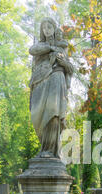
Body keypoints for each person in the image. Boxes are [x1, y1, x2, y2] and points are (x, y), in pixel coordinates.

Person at [29, 17, 74, 158]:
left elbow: (71, 68)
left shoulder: (62, 46)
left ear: (54, 29)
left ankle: (50, 150)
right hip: (40, 82)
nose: (46, 30)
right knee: (36, 114)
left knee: (53, 113)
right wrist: (50, 47)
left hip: (56, 78)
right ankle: (44, 148)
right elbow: (32, 50)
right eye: (44, 28)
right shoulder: (40, 46)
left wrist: (62, 62)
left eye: (49, 27)